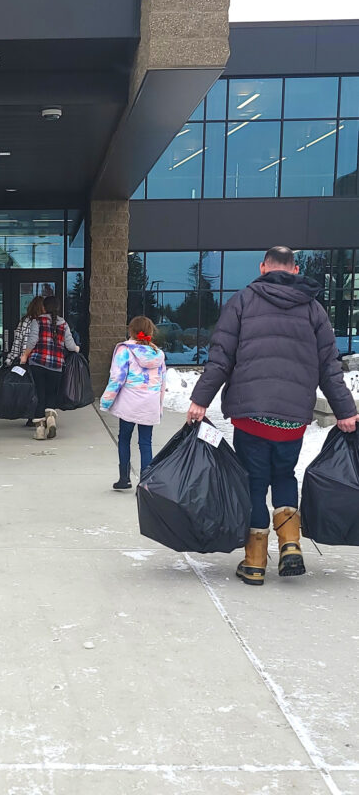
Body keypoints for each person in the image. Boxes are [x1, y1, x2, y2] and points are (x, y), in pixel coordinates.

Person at [187, 246, 357, 586]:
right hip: (292, 418)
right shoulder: (313, 309)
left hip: (251, 415)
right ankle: (290, 544)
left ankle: (254, 562)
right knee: (283, 475)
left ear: (263, 267)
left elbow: (220, 357)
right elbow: (329, 367)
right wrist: (346, 411)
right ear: (294, 270)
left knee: (253, 481)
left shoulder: (243, 301)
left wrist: (199, 400)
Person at [100, 316, 166, 492]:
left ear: (131, 331)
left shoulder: (125, 351)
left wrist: (106, 401)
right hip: (149, 403)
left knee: (124, 438)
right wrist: (158, 407)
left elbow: (117, 378)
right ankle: (145, 484)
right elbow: (162, 383)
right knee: (146, 442)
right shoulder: (158, 354)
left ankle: (124, 478)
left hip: (130, 402)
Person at [20, 295, 79, 441]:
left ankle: (40, 431)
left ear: (44, 307)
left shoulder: (37, 321)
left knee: (40, 395)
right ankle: (51, 418)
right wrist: (77, 348)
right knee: (52, 394)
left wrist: (25, 355)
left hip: (38, 364)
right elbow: (70, 345)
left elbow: (32, 340)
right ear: (57, 308)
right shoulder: (63, 323)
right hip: (56, 365)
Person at [5, 295, 46, 426]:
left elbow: (17, 342)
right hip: (42, 360)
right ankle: (42, 414)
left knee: (29, 388)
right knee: (42, 389)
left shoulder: (25, 321)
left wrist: (10, 359)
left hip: (26, 359)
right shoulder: (47, 322)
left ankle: (31, 415)